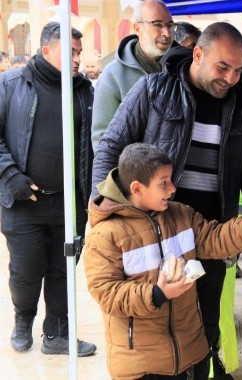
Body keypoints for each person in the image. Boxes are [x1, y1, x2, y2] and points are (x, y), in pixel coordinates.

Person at [91, 22, 242, 380]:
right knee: (152, 325)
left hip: (210, 232)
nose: (231, 78)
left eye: (239, 70)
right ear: (198, 54)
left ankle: (204, 365)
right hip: (152, 228)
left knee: (203, 323)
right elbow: (110, 146)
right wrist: (105, 209)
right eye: (222, 67)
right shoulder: (154, 89)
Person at [84, 143, 242, 380]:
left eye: (171, 179)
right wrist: (157, 293)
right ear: (137, 188)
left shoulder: (181, 214)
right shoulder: (105, 235)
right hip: (142, 367)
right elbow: (107, 294)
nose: (172, 188)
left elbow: (216, 238)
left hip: (191, 354)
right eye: (163, 183)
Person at [0, 22, 96, 356]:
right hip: (23, 202)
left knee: (62, 273)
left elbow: (95, 142)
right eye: (70, 52)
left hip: (69, 203)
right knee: (25, 273)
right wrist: (10, 174)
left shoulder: (84, 91)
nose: (77, 60)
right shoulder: (10, 85)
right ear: (46, 50)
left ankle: (57, 335)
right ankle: (23, 320)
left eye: (79, 53)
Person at [91, 0, 178, 150]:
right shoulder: (113, 75)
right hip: (134, 171)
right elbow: (103, 140)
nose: (166, 33)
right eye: (157, 24)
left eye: (170, 25)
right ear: (137, 28)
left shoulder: (183, 67)